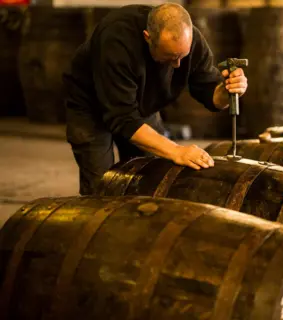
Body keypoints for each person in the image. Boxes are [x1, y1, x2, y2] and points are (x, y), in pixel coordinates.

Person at [62, 3, 248, 195]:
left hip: (141, 107)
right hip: (91, 105)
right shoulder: (117, 40)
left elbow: (210, 93)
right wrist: (177, 150)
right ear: (147, 38)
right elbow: (122, 118)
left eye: (182, 56)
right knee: (101, 185)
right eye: (170, 56)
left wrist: (227, 91)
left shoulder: (192, 43)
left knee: (152, 178)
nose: (177, 65)